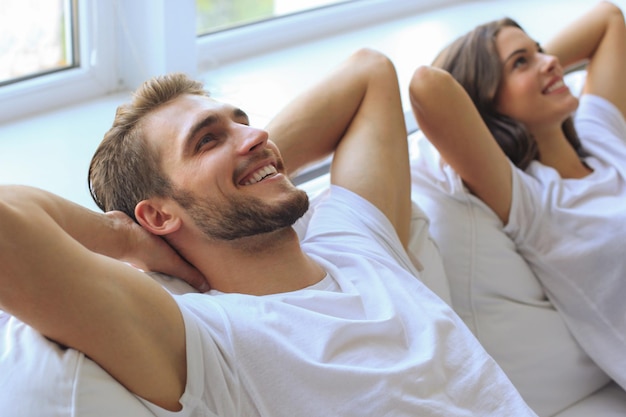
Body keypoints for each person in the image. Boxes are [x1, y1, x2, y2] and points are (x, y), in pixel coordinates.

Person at [0, 48, 537, 416]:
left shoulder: (355, 242)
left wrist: (246, 163)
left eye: (243, 120)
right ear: (158, 216)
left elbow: (369, 73)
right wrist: (126, 240)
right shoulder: (206, 339)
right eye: (206, 140)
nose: (257, 134)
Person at [408, 1, 626, 391]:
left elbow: (609, 18)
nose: (551, 61)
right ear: (486, 102)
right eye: (520, 63)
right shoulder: (533, 203)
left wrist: (535, 70)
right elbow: (428, 86)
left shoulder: (600, 137)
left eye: (541, 50)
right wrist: (496, 78)